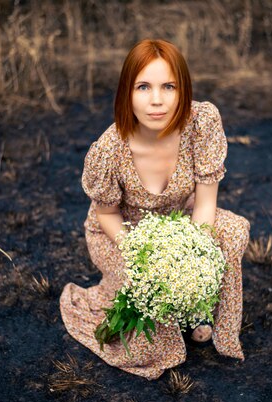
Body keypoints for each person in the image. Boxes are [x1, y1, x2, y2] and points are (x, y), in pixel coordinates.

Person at [59, 39, 250, 380]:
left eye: (168, 86)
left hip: (180, 220)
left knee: (232, 231)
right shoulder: (109, 149)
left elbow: (205, 202)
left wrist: (191, 253)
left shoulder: (200, 125)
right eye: (144, 87)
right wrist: (145, 253)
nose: (157, 100)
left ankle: (199, 310)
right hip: (121, 233)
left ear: (182, 90)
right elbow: (106, 215)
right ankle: (159, 308)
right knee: (153, 333)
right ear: (126, 93)